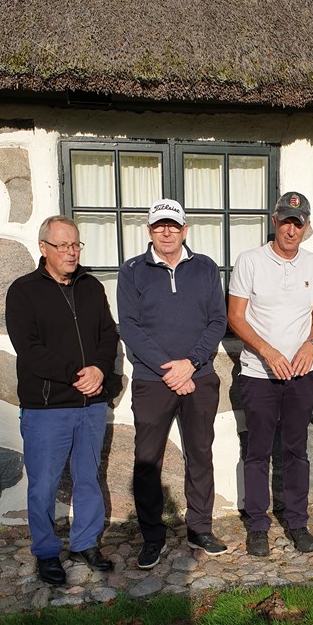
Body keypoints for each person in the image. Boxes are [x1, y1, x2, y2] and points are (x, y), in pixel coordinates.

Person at [5, 215, 119, 586]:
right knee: (43, 485)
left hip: (91, 404)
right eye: (63, 245)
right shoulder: (23, 291)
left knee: (88, 478)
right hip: (47, 407)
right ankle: (46, 551)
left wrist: (99, 370)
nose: (71, 252)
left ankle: (85, 543)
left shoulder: (91, 287)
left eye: (75, 245)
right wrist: (77, 374)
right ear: (43, 248)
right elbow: (29, 349)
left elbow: (108, 335)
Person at [117, 199, 228, 569]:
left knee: (200, 455)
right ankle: (152, 537)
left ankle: (200, 529)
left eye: (173, 225)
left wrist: (190, 363)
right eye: (159, 226)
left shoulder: (206, 267)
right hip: (153, 381)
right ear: (149, 231)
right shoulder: (132, 270)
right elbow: (129, 326)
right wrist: (170, 370)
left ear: (185, 230)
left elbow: (217, 321)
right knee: (148, 460)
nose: (166, 232)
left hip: (199, 378)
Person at [228, 191, 313, 557]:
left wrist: (311, 345)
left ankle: (297, 522)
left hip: (302, 374)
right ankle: (258, 526)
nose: (291, 229)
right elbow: (235, 316)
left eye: (297, 224)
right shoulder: (250, 261)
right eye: (285, 221)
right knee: (257, 451)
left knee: (296, 451)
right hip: (258, 374)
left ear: (306, 227)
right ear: (274, 221)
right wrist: (267, 351)